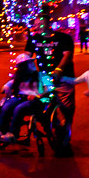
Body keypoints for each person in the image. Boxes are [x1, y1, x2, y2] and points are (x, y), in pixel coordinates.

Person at [26, 17, 76, 156]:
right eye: (35, 24)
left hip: (63, 79)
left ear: (49, 23)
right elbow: (27, 56)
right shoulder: (33, 38)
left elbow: (67, 55)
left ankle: (65, 142)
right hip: (44, 79)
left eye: (41, 24)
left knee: (66, 110)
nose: (38, 27)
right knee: (42, 108)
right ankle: (52, 132)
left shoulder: (63, 38)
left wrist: (59, 70)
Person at [0, 52, 44, 146]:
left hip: (34, 101)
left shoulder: (39, 76)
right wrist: (6, 87)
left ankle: (13, 134)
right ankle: (0, 132)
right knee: (6, 106)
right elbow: (10, 83)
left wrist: (37, 95)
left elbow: (47, 89)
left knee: (19, 109)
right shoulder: (19, 76)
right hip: (20, 98)